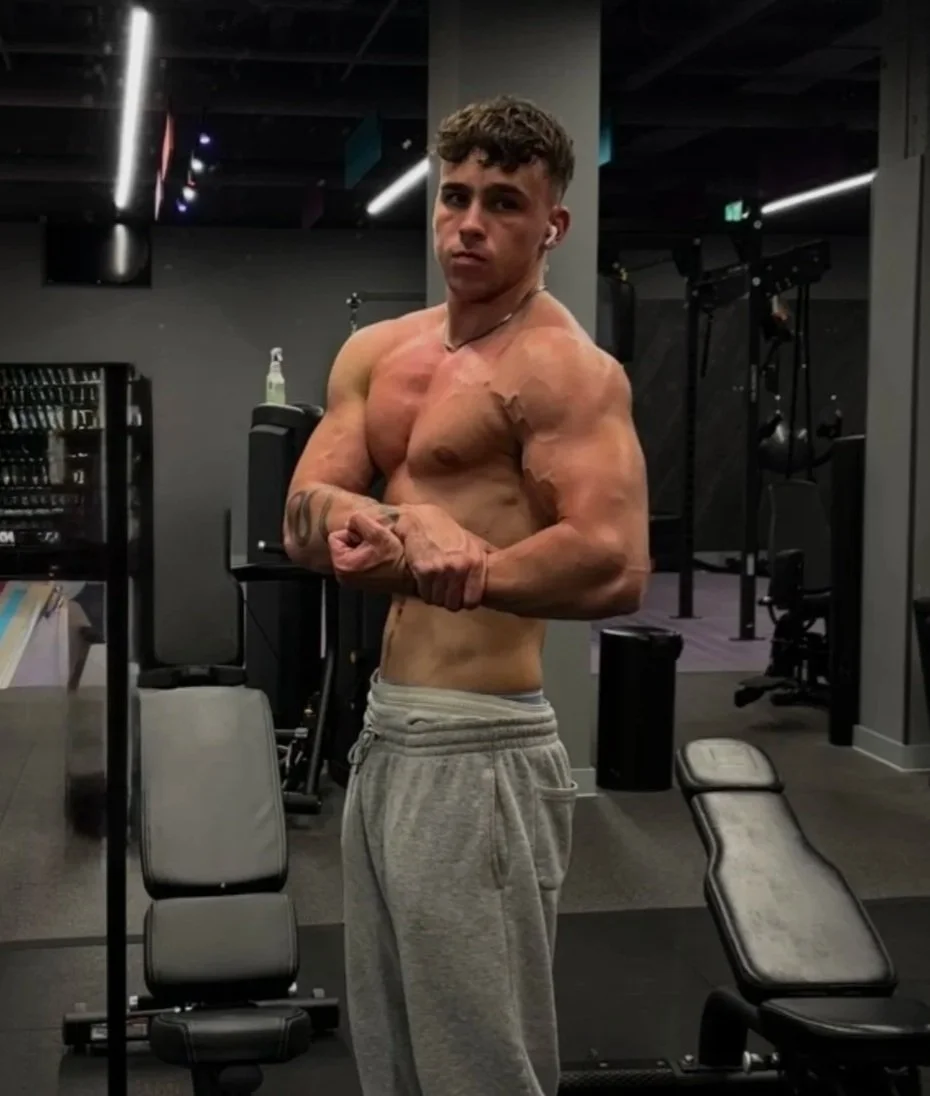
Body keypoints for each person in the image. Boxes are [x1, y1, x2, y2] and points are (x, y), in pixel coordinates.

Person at [284, 95, 650, 1096]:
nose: (470, 223)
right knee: (393, 1045)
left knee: (479, 1061)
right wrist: (404, 527)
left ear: (552, 225)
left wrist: (480, 567)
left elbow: (617, 561)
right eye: (454, 197)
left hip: (481, 744)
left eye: (503, 201)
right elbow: (301, 513)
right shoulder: (379, 353)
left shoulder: (566, 370)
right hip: (387, 732)